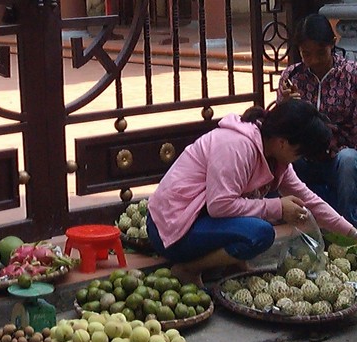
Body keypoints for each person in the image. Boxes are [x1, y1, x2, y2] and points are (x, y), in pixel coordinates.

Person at [145, 100, 357, 286]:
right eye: (298, 153)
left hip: (199, 220)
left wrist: (352, 234)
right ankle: (189, 269)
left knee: (255, 223)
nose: (297, 159)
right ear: (283, 142)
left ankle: (233, 266)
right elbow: (220, 206)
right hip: (171, 229)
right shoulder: (236, 146)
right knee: (260, 233)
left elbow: (309, 200)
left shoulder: (275, 157)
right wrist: (277, 208)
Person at [277, 13, 357, 226]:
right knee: (282, 161)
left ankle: (348, 231)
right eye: (306, 54)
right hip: (304, 155)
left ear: (332, 44)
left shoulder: (351, 75)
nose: (314, 61)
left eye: (321, 53)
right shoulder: (291, 78)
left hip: (340, 156)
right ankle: (299, 230)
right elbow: (279, 132)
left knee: (349, 160)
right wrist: (286, 106)